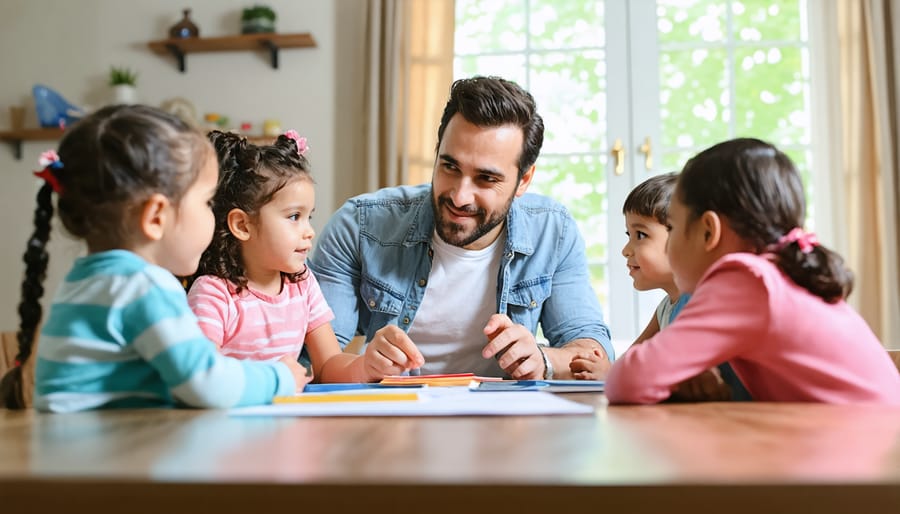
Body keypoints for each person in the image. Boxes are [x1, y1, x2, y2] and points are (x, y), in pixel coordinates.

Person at [0, 105, 308, 412]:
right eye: (207, 202)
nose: (213, 215)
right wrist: (279, 377)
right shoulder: (144, 285)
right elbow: (206, 383)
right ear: (156, 216)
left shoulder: (83, 281)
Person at [309, 76, 613, 379]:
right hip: (394, 417)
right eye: (450, 167)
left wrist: (544, 359)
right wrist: (364, 367)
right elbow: (314, 363)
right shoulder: (359, 226)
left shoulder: (552, 232)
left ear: (524, 180)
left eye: (486, 178)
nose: (459, 196)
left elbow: (593, 351)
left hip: (505, 419)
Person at [605, 138, 900, 404]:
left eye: (677, 227)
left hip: (873, 449)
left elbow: (626, 381)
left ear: (708, 232)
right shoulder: (776, 274)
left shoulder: (744, 279)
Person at [187, 131, 389, 382]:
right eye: (294, 217)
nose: (309, 232)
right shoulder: (213, 295)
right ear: (242, 225)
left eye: (309, 217)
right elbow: (204, 377)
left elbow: (328, 365)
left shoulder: (302, 284)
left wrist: (367, 366)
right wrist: (276, 378)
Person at [570, 173, 752, 401]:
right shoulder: (666, 308)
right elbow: (633, 362)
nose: (626, 249)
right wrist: (606, 367)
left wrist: (611, 373)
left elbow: (652, 373)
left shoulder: (700, 303)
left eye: (641, 235)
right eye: (629, 235)